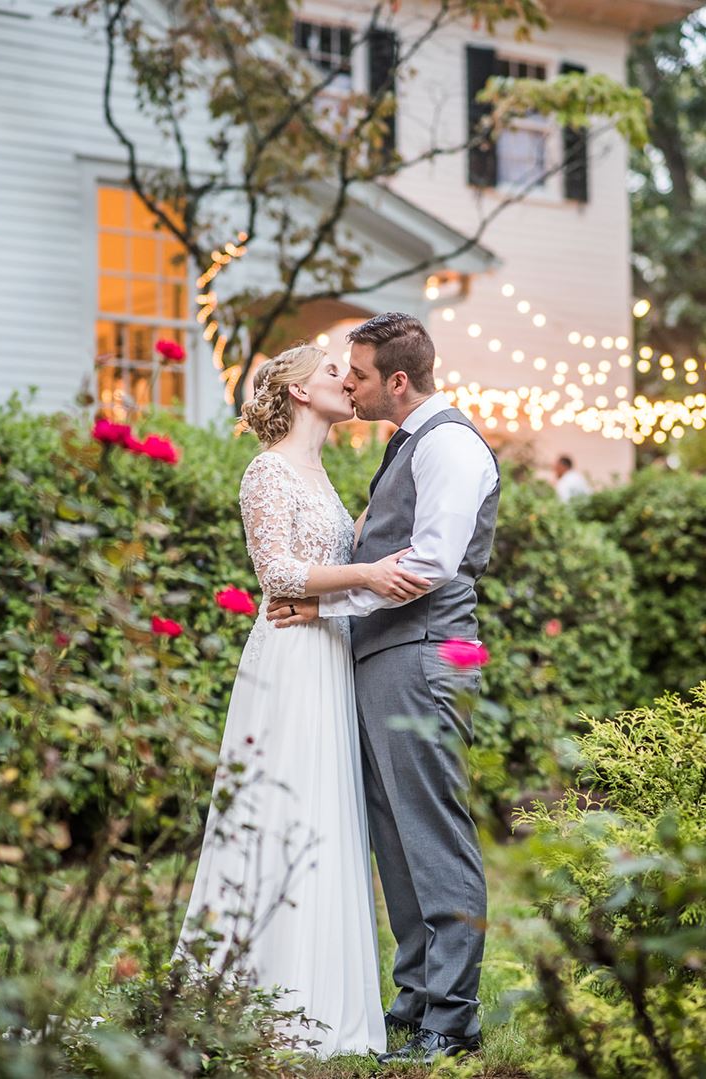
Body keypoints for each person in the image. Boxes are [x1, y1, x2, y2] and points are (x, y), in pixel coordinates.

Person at [174, 344, 432, 1058]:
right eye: (330, 372)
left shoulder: (323, 471)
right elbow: (277, 570)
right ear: (293, 389)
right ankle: (259, 994)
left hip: (327, 649)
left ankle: (325, 1001)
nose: (346, 381)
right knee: (281, 808)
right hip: (287, 661)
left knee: (327, 811)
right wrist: (371, 574)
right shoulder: (268, 469)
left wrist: (352, 593)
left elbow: (319, 582)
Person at [267, 313, 501, 1064]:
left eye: (360, 373)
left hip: (426, 654)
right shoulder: (409, 447)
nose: (352, 384)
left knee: (431, 834)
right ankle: (416, 993)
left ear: (397, 379)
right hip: (385, 656)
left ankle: (453, 1017)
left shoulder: (451, 446)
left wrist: (326, 603)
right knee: (395, 839)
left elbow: (427, 566)